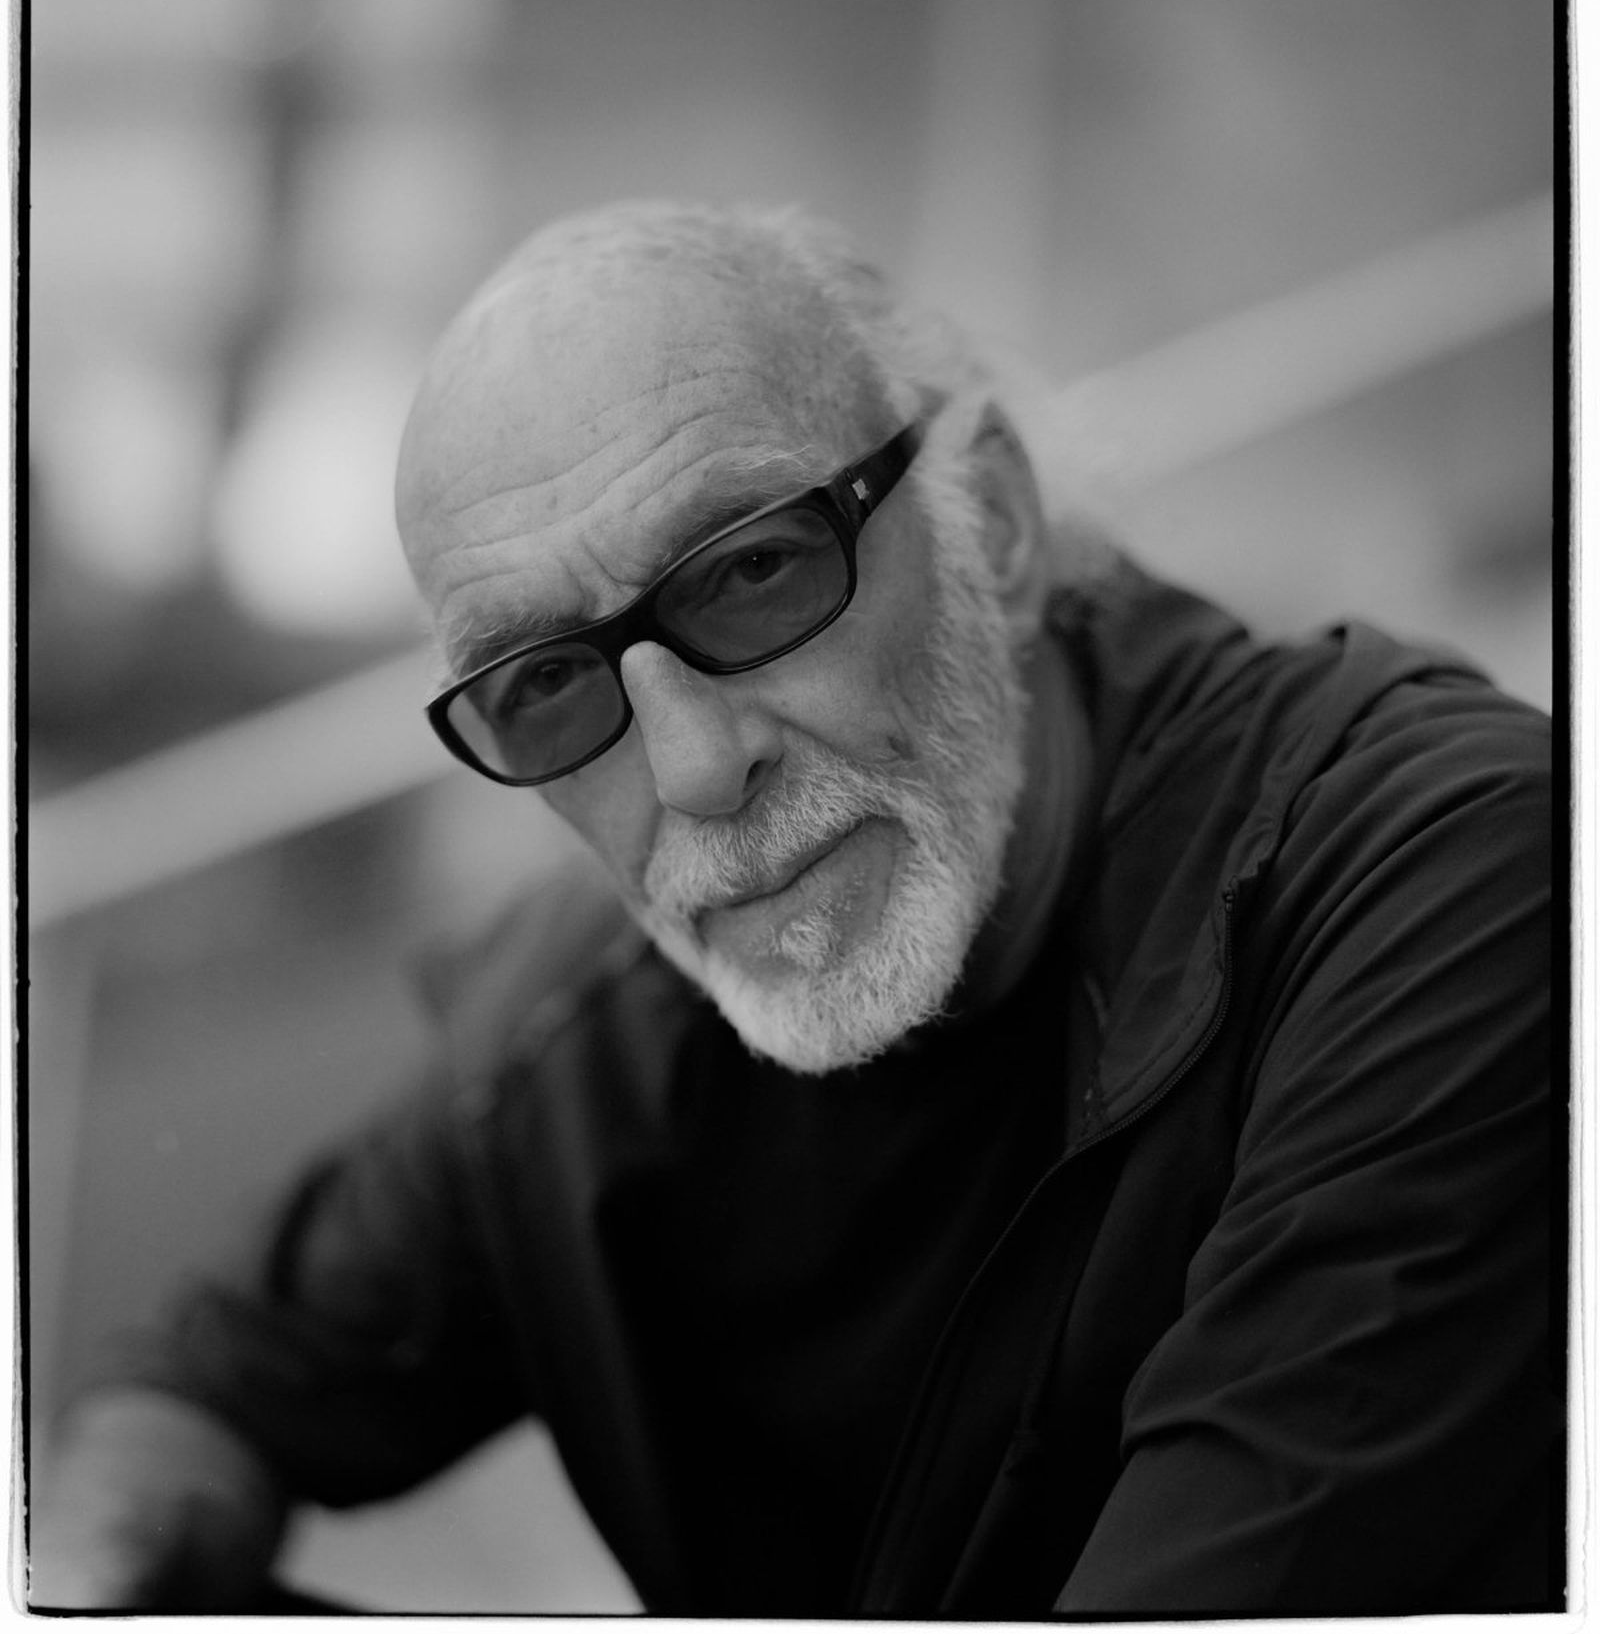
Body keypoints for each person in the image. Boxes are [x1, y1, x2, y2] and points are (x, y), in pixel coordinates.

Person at [31, 201, 1559, 1614]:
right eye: (550, 682)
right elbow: (184, 1398)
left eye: (754, 570)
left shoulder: (1440, 875)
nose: (692, 770)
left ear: (995, 528)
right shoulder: (573, 1046)